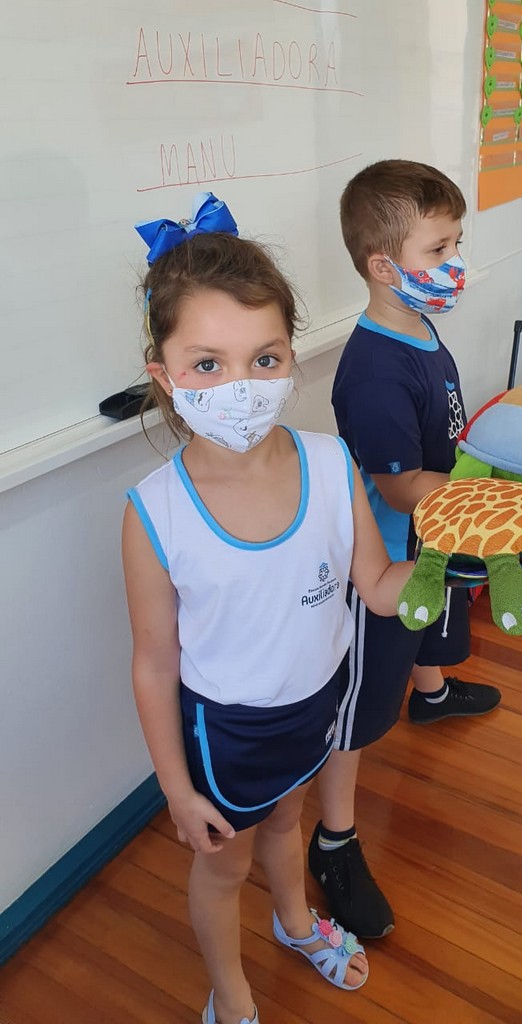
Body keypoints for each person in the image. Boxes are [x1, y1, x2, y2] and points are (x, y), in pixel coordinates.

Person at [122, 193, 414, 1024]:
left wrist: (452, 564)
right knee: (224, 865)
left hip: (315, 702)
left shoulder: (331, 463)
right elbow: (154, 664)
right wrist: (176, 790)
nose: (241, 386)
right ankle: (233, 994)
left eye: (265, 357)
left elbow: (377, 586)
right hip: (230, 734)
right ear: (164, 375)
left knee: (288, 821)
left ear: (291, 355)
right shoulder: (155, 513)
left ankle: (294, 921)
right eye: (207, 365)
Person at [308, 161, 502, 940]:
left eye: (456, 243)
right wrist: (491, 493)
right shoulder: (374, 373)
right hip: (387, 557)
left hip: (435, 529)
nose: (455, 263)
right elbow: (395, 490)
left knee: (437, 626)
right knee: (358, 708)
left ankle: (433, 694)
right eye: (439, 249)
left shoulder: (418, 324)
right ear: (383, 267)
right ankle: (335, 840)